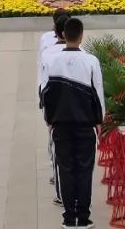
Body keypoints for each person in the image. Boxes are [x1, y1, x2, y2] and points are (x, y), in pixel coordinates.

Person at [43, 17, 104, 229]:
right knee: (85, 170)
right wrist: (99, 121)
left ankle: (69, 218)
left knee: (66, 168)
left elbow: (46, 94)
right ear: (81, 36)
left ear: (62, 35)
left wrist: (49, 119)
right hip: (85, 124)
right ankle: (83, 217)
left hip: (61, 124)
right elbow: (98, 94)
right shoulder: (91, 61)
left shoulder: (53, 61)